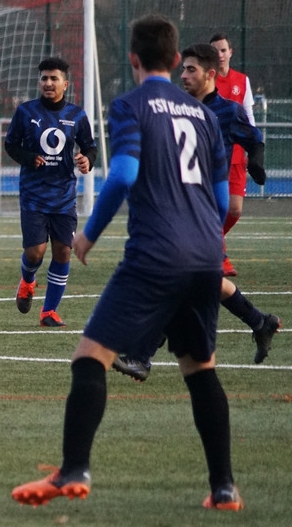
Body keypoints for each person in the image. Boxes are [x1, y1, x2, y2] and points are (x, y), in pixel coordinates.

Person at [12, 15, 244, 511]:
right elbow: (224, 200)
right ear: (177, 60)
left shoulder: (130, 106)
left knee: (89, 357)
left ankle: (74, 469)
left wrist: (89, 235)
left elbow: (122, 176)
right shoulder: (205, 115)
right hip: (206, 256)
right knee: (200, 370)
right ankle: (224, 487)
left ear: (134, 59)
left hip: (156, 254)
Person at [112, 43, 279, 381]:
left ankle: (142, 356)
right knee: (203, 281)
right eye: (183, 68)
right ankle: (260, 322)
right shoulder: (177, 107)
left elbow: (254, 137)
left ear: (210, 74)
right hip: (177, 206)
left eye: (191, 69)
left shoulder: (228, 111)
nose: (184, 75)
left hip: (203, 211)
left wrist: (257, 162)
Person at [4, 57, 96, 327]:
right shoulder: (25, 112)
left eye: (54, 78)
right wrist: (28, 157)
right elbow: (11, 145)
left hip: (64, 196)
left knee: (63, 251)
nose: (48, 83)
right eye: (44, 78)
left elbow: (90, 147)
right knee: (35, 252)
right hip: (33, 194)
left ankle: (49, 312)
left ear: (65, 84)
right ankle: (27, 280)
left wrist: (87, 160)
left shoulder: (77, 115)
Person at [210, 32, 256, 277]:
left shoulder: (242, 81)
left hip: (236, 153)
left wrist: (254, 147)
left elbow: (249, 117)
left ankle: (210, 241)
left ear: (230, 52)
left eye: (223, 50)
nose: (219, 55)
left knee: (235, 209)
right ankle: (220, 256)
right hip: (212, 154)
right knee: (216, 206)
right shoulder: (206, 79)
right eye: (215, 50)